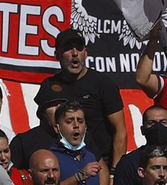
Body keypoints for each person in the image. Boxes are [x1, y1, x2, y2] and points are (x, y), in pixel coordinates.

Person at [36, 29, 127, 161]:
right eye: (68, 48)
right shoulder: (49, 86)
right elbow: (45, 129)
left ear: (85, 53)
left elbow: (120, 131)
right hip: (62, 163)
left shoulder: (103, 84)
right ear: (57, 54)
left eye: (79, 48)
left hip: (100, 163)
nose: (74, 54)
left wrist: (114, 172)